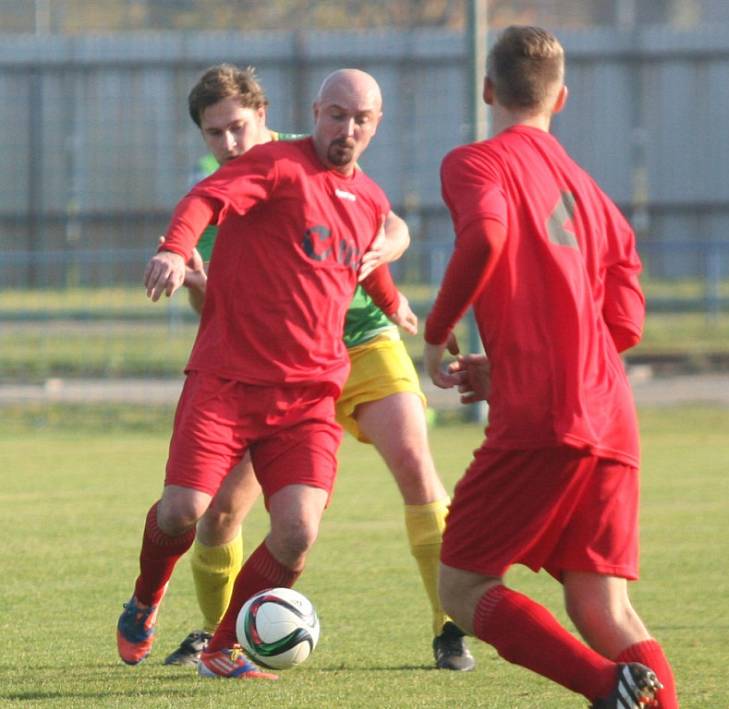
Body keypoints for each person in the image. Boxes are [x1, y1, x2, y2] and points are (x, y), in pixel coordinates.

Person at [160, 64, 473, 671]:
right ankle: (217, 635)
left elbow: (379, 215)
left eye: (238, 127)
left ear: (273, 117)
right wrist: (191, 275)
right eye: (214, 133)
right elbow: (213, 302)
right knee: (221, 510)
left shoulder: (303, 155)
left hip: (359, 342)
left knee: (416, 468)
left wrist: (399, 239)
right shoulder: (221, 186)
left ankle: (449, 627)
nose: (229, 142)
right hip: (273, 367)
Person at [117, 68, 405, 680]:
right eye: (336, 115)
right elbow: (201, 201)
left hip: (307, 396)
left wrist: (395, 302)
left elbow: (363, 257)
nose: (346, 129)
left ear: (376, 124)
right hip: (226, 382)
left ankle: (222, 648)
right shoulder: (272, 165)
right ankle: (145, 599)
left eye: (360, 119)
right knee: (183, 514)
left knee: (297, 533)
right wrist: (174, 249)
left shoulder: (368, 196)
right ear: (316, 111)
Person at [423, 26, 678, 708]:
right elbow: (622, 322)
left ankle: (607, 689)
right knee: (603, 606)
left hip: (545, 415)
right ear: (561, 98)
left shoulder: (477, 163)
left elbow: (486, 234)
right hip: (609, 413)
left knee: (463, 586)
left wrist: (436, 332)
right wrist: (507, 364)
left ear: (487, 90)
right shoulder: (591, 193)